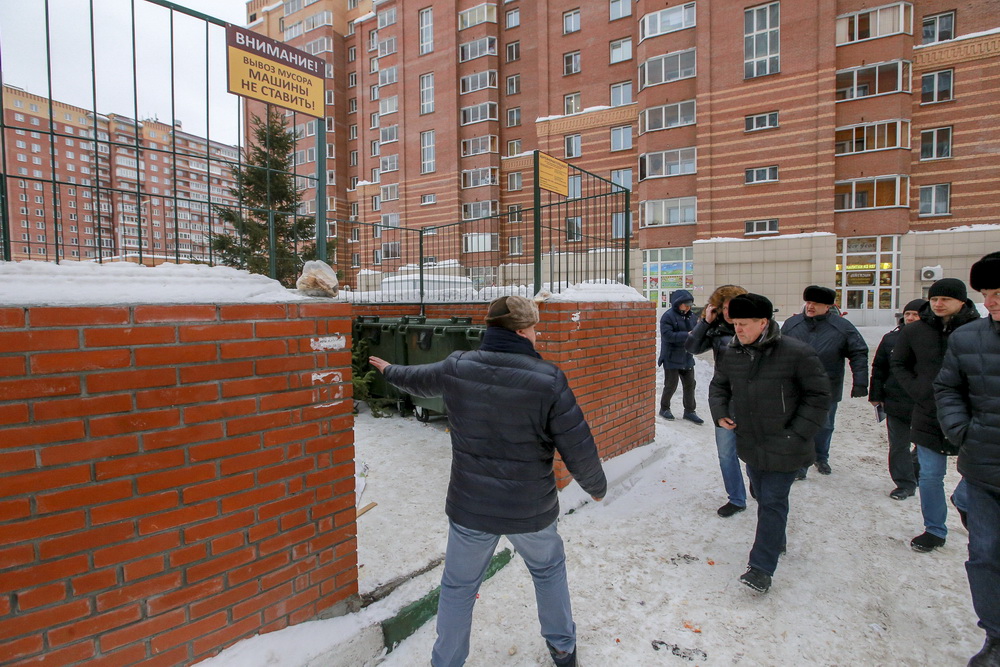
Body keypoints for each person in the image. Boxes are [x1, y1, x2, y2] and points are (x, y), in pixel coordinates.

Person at [369, 295, 606, 667]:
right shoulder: (548, 379)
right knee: (548, 570)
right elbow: (578, 444)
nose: (536, 335)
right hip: (530, 508)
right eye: (534, 328)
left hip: (471, 507)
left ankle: (446, 662)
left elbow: (418, 380)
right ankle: (562, 648)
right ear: (523, 331)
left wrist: (389, 371)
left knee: (458, 587)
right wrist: (596, 486)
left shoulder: (457, 367)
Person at [709, 293, 831, 593]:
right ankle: (776, 539)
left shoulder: (796, 352)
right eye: (735, 323)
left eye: (745, 324)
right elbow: (719, 386)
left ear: (764, 322)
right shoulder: (732, 352)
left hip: (786, 442)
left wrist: (797, 433)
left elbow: (818, 397)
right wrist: (721, 412)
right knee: (762, 495)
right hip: (750, 442)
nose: (738, 329)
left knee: (773, 500)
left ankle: (761, 569)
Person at [935, 253, 1000, 667]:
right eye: (987, 293)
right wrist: (962, 432)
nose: (990, 302)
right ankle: (996, 635)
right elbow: (947, 388)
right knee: (986, 556)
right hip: (983, 469)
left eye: (999, 293)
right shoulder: (968, 338)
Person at [890, 277, 979, 553]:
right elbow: (899, 363)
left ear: (961, 301)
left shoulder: (979, 330)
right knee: (930, 475)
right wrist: (918, 390)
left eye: (945, 299)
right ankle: (934, 529)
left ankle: (964, 503)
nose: (938, 304)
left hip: (971, 414)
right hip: (928, 411)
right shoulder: (914, 331)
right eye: (934, 299)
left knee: (977, 474)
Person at [781, 285, 869, 478]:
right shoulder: (792, 324)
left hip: (827, 386)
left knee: (825, 425)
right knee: (798, 423)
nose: (810, 306)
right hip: (795, 386)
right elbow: (777, 351)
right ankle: (800, 463)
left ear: (828, 306)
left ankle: (821, 457)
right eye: (808, 302)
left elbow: (859, 352)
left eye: (816, 303)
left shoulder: (842, 327)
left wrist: (860, 382)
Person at [686, 284, 750, 517]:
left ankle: (757, 482)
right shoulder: (716, 329)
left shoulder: (754, 328)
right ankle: (736, 498)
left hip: (754, 399)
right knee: (726, 453)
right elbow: (692, 347)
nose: (728, 312)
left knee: (754, 451)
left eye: (732, 307)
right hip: (724, 398)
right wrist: (705, 322)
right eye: (723, 307)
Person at [869, 299, 926, 500]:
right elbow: (879, 368)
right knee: (899, 445)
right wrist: (875, 395)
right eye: (907, 314)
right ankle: (904, 483)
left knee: (925, 444)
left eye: (915, 314)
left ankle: (915, 471)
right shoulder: (891, 339)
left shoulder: (934, 339)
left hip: (925, 404)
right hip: (896, 401)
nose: (910, 318)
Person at [658, 289, 703, 424]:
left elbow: (696, 332)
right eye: (686, 305)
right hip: (671, 357)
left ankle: (690, 411)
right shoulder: (668, 317)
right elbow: (668, 336)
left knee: (690, 384)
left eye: (690, 305)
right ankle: (664, 408)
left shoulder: (692, 317)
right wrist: (687, 335)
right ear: (678, 304)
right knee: (671, 385)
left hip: (687, 357)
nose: (688, 307)